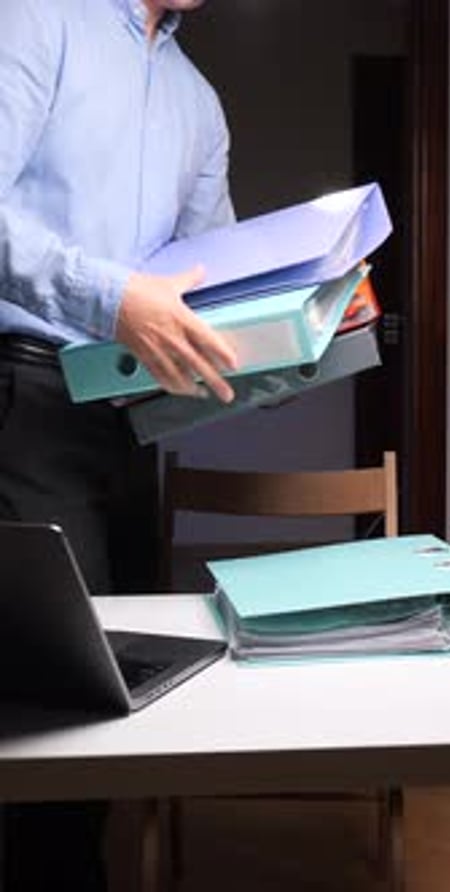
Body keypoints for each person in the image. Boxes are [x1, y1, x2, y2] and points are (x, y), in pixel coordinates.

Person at [0, 0, 238, 889]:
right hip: (21, 394)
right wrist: (112, 298)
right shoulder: (34, 20)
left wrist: (299, 328)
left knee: (117, 692)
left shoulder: (200, 102)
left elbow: (216, 278)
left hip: (129, 420)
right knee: (43, 706)